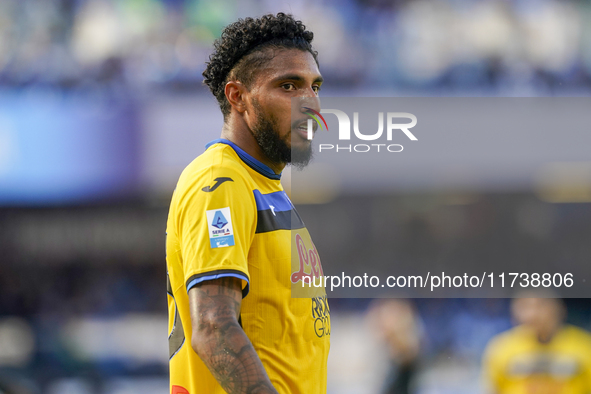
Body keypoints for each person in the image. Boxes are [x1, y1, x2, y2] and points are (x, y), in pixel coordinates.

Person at [165, 13, 329, 394]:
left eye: (314, 86)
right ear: (237, 96)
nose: (310, 104)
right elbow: (213, 327)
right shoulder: (220, 182)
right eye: (289, 86)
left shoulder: (263, 186)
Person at [482, 294, 591, 394]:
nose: (532, 314)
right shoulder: (502, 346)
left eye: (540, 305)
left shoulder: (584, 345)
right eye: (524, 307)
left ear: (558, 307)